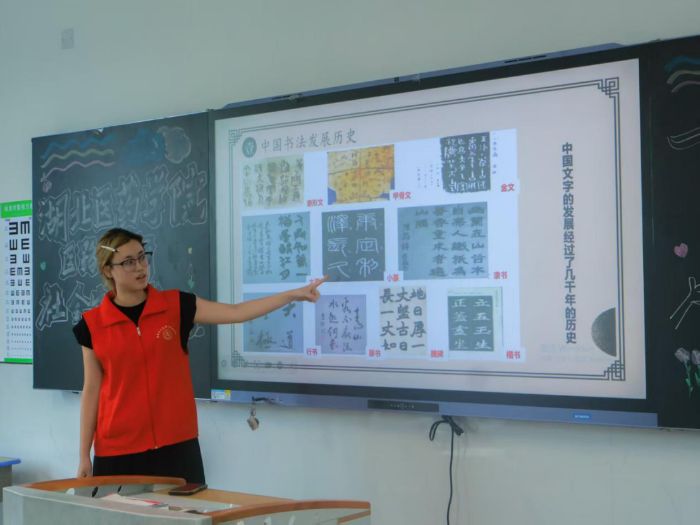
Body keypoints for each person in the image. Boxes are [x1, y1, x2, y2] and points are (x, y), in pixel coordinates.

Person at [73, 228, 326, 482]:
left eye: (142, 257)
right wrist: (84, 454)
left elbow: (236, 312)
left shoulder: (176, 306)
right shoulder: (92, 326)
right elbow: (92, 390)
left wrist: (292, 295)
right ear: (108, 270)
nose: (140, 267)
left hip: (177, 447)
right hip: (118, 452)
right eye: (128, 262)